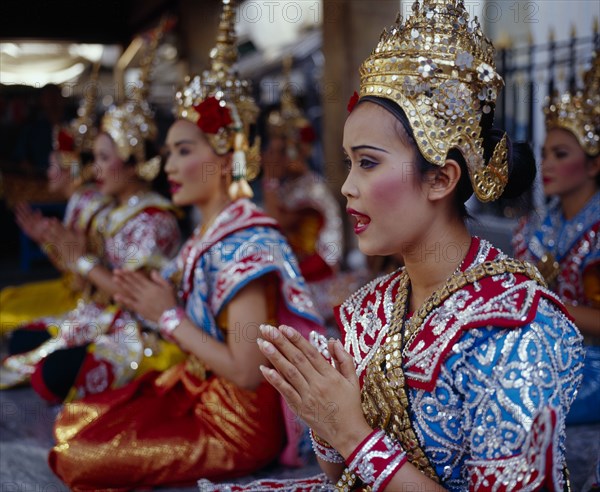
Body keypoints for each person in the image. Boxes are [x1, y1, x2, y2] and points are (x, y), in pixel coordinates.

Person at [201, 1, 586, 491]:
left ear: (441, 178)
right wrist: (323, 415)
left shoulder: (515, 329)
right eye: (348, 163)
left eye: (368, 163)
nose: (346, 187)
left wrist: (351, 431)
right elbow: (339, 476)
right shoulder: (372, 307)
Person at [48, 2, 324, 489]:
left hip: (235, 424)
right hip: (198, 389)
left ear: (225, 160)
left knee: (78, 458)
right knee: (78, 419)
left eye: (182, 151)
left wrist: (166, 315)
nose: (167, 167)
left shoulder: (247, 246)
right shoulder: (207, 234)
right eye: (168, 152)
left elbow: (246, 373)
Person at [1, 31, 182, 401]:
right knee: (23, 341)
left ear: (134, 164)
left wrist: (79, 258)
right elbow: (88, 281)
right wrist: (59, 248)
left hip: (138, 329)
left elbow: (127, 294)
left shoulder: (153, 219)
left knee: (47, 377)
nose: (93, 170)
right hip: (101, 312)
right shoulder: (114, 210)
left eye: (103, 159)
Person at [512, 50, 600, 489]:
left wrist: (542, 302)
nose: (545, 165)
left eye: (560, 153)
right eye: (544, 153)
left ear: (595, 163)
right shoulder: (540, 225)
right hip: (546, 347)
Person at [0, 81, 109, 333]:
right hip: (76, 291)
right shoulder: (80, 203)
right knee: (6, 298)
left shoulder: (90, 205)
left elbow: (83, 281)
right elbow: (71, 268)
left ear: (71, 169)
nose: (47, 173)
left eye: (53, 166)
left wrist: (67, 252)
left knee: (7, 316)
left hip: (89, 303)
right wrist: (46, 241)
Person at [261, 58, 344, 324]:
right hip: (297, 272)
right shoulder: (292, 186)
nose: (270, 158)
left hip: (316, 280)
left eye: (279, 152)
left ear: (297, 151)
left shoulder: (312, 189)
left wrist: (270, 180)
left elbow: (276, 224)